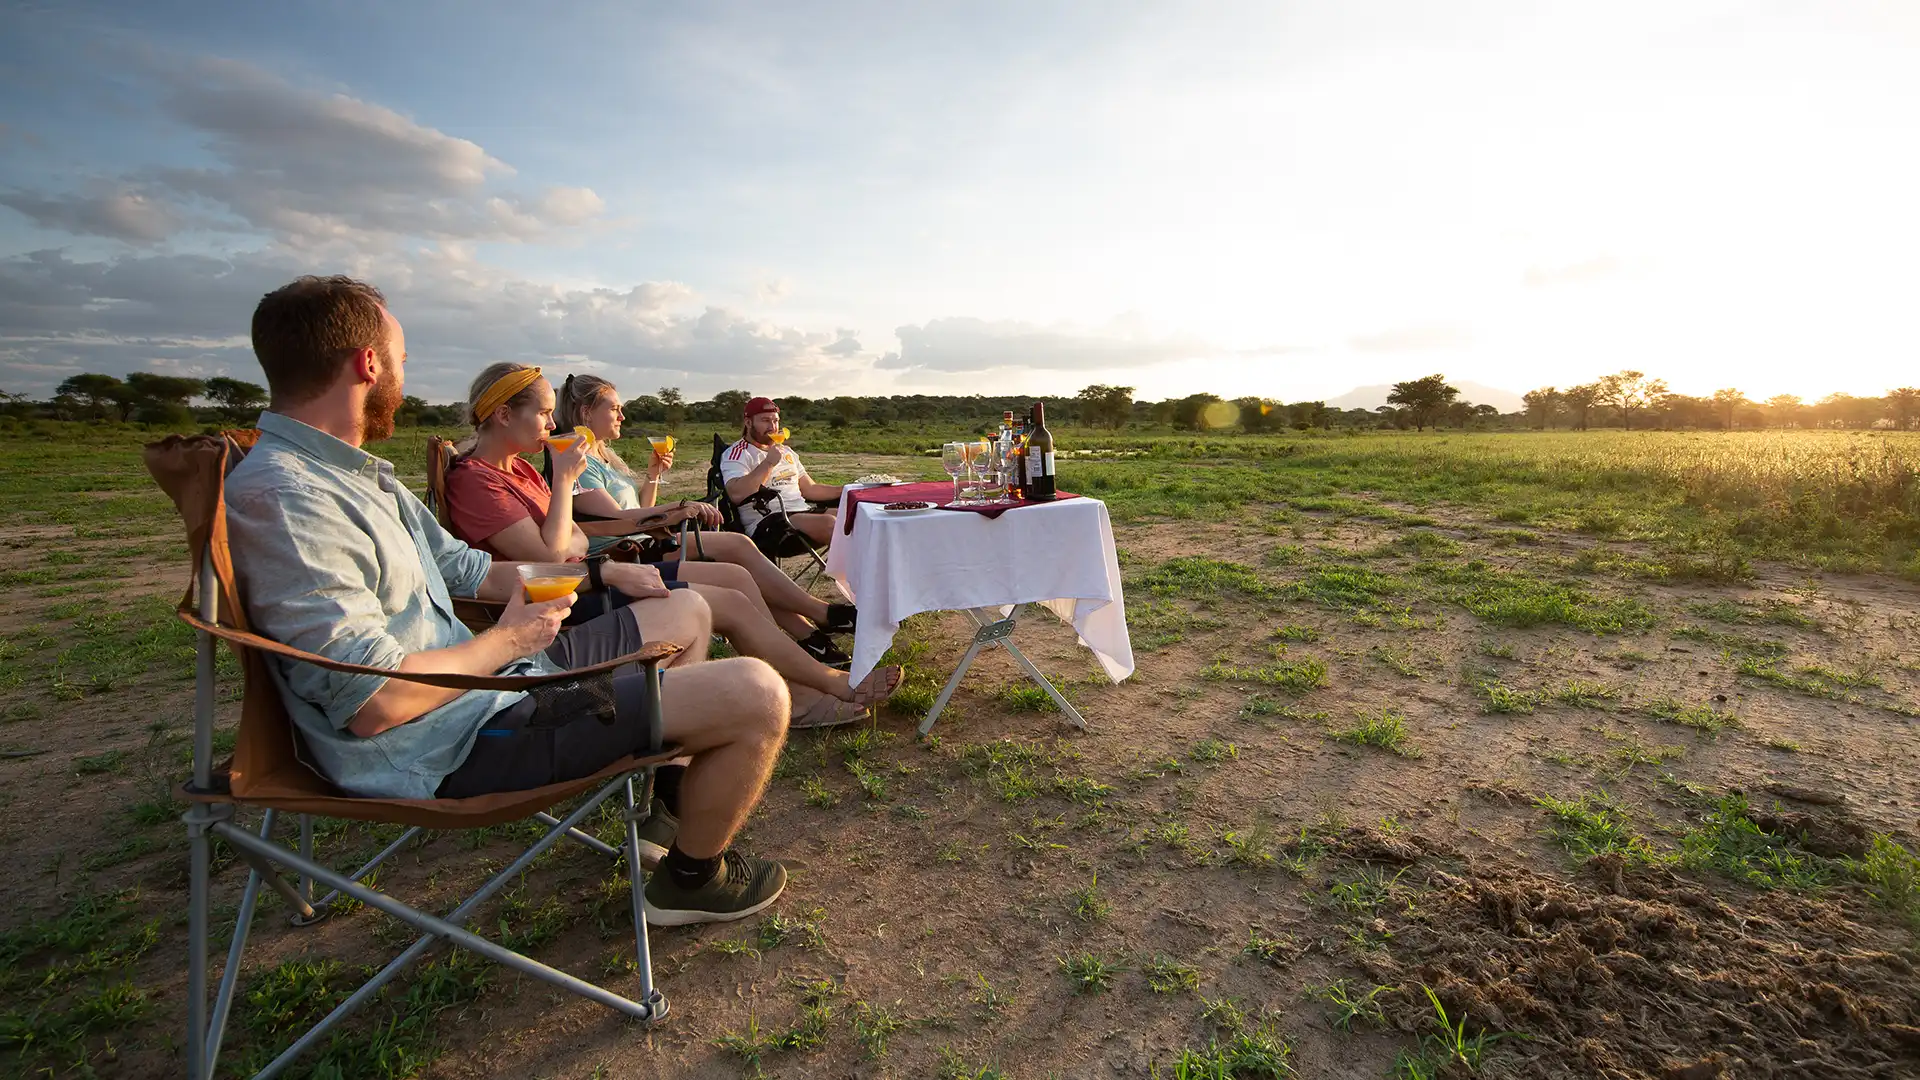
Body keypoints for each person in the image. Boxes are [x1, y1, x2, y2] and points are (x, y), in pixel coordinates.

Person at [224, 275, 785, 926]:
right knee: (756, 694)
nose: (404, 377)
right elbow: (372, 703)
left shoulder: (353, 476)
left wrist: (599, 579)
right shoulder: (292, 500)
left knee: (685, 609)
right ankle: (691, 878)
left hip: (493, 683)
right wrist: (506, 642)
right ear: (367, 363)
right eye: (401, 360)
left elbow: (471, 570)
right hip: (452, 741)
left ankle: (668, 802)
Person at [443, 362, 896, 728]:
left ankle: (810, 666)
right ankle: (816, 686)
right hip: (565, 602)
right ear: (504, 415)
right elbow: (549, 557)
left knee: (736, 581)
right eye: (543, 413)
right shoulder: (477, 482)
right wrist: (564, 482)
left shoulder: (516, 471)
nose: (550, 422)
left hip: (594, 572)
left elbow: (574, 536)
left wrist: (583, 523)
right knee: (731, 598)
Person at [552, 373, 855, 664]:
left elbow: (639, 508)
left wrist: (653, 476)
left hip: (643, 537)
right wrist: (678, 507)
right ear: (586, 412)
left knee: (739, 555)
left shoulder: (602, 455)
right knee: (738, 551)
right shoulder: (573, 457)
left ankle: (810, 631)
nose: (622, 417)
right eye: (615, 409)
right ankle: (817, 620)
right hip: (621, 553)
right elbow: (617, 520)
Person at [721, 397, 843, 550]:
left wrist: (845, 489)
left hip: (803, 511)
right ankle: (852, 574)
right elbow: (736, 494)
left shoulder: (786, 452)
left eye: (775, 421)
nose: (772, 427)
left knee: (853, 518)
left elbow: (810, 488)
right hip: (769, 523)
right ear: (748, 422)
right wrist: (768, 463)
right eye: (765, 420)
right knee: (830, 524)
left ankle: (865, 572)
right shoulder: (738, 453)